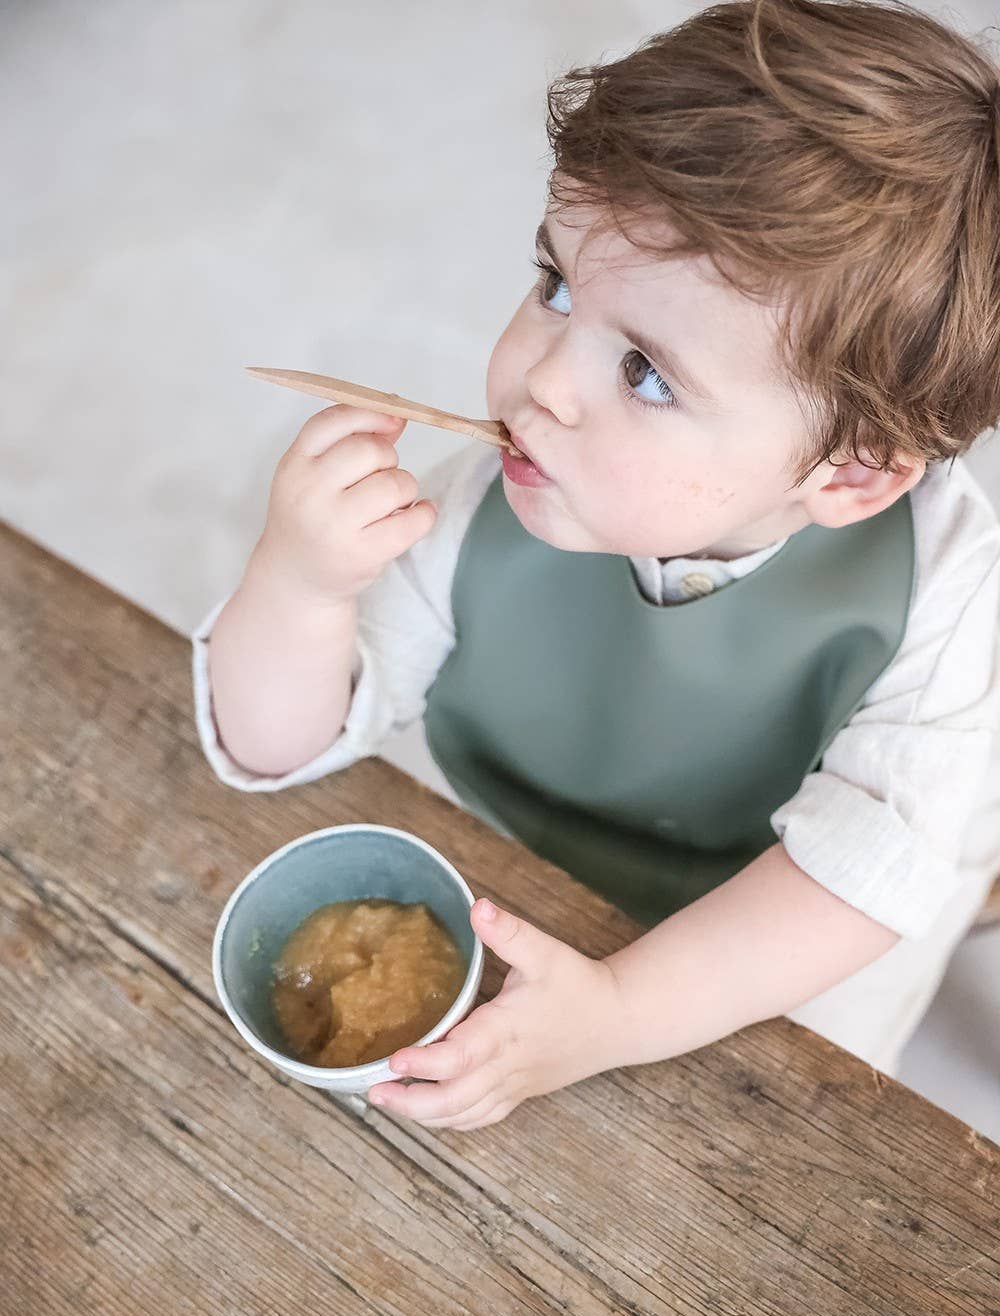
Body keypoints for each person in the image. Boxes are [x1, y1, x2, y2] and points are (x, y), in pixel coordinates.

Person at [192, 0, 1000, 1130]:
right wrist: (298, 585)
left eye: (647, 373)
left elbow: (858, 882)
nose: (540, 385)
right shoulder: (503, 494)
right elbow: (276, 744)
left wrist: (615, 1011)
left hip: (783, 900)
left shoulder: (947, 594)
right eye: (556, 284)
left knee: (797, 1115)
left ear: (853, 474)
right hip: (539, 844)